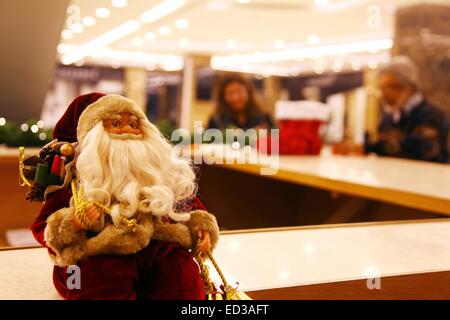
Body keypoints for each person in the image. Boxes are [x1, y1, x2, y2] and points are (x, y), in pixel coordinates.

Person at [30, 93, 219, 300]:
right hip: (100, 252)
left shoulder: (157, 176)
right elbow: (43, 227)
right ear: (96, 135)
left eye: (133, 123)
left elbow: (187, 206)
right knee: (97, 277)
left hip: (157, 245)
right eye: (116, 124)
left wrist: (202, 228)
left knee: (180, 271)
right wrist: (74, 222)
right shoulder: (78, 182)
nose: (127, 130)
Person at [335, 56, 448, 163]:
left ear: (409, 86)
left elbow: (420, 149)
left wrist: (366, 148)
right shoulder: (389, 117)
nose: (384, 94)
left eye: (390, 87)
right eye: (381, 88)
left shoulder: (432, 115)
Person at [207, 74, 275, 131]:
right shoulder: (216, 120)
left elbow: (275, 140)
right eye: (230, 93)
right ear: (223, 97)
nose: (236, 97)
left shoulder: (264, 117)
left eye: (239, 91)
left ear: (248, 92)